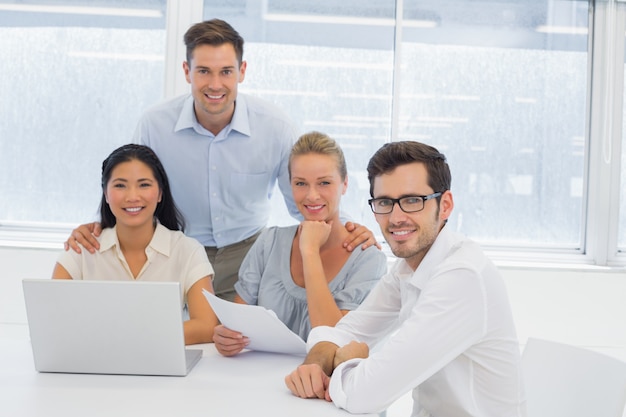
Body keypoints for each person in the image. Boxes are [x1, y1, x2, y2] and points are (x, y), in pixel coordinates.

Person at [64, 19, 377, 301]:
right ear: (187, 72)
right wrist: (99, 227)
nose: (215, 84)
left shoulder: (275, 127)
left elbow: (306, 199)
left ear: (241, 71)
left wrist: (348, 229)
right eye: (204, 71)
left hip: (248, 256)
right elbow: (134, 191)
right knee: (164, 340)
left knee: (235, 348)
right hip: (175, 252)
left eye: (226, 71)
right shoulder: (154, 124)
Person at [284, 141, 525, 416]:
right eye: (385, 202)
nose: (396, 218)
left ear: (444, 205)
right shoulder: (408, 267)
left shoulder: (462, 277)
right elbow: (345, 330)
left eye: (412, 200)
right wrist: (315, 364)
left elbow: (365, 395)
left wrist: (344, 363)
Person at [212, 132, 388, 356]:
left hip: (324, 385)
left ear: (344, 184)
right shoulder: (269, 242)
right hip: (256, 380)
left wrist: (310, 251)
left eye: (324, 182)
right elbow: (239, 326)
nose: (312, 195)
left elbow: (335, 343)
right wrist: (227, 338)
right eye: (301, 183)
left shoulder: (368, 259)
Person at [53, 144, 218, 345]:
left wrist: (128, 337)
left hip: (164, 369)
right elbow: (52, 322)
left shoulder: (187, 250)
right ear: (106, 194)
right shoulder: (81, 249)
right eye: (120, 185)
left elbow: (207, 325)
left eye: (144, 185)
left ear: (160, 193)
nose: (132, 197)